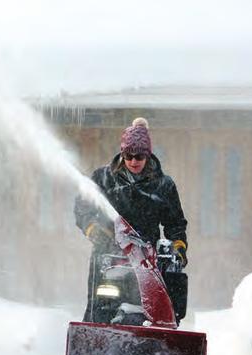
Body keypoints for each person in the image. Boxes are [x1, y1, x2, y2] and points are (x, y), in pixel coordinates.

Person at [74, 118, 188, 324]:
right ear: (122, 153)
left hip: (146, 262)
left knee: (152, 312)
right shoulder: (103, 178)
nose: (134, 161)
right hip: (107, 257)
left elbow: (175, 224)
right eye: (129, 156)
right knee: (99, 310)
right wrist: (92, 228)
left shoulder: (163, 185)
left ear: (148, 155)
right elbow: (83, 208)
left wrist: (178, 248)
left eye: (140, 156)